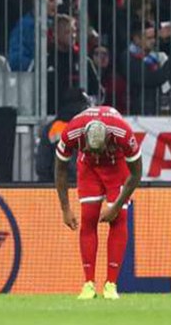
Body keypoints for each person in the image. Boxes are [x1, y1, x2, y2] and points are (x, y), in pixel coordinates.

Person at [54, 105, 142, 300]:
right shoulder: (71, 132)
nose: (96, 153)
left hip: (116, 166)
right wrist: (65, 209)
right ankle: (88, 285)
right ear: (83, 139)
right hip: (88, 168)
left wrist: (116, 206)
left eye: (99, 150)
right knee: (89, 218)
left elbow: (136, 174)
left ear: (109, 139)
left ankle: (111, 285)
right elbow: (60, 170)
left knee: (120, 218)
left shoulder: (123, 133)